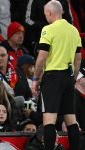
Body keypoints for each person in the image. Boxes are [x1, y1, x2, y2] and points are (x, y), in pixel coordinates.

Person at [32, 1, 82, 150]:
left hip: (52, 77)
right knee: (71, 119)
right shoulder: (74, 30)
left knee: (49, 119)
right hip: (68, 76)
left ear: (49, 13)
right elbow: (78, 58)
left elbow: (42, 56)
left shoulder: (48, 29)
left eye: (45, 14)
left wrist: (35, 78)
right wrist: (73, 78)